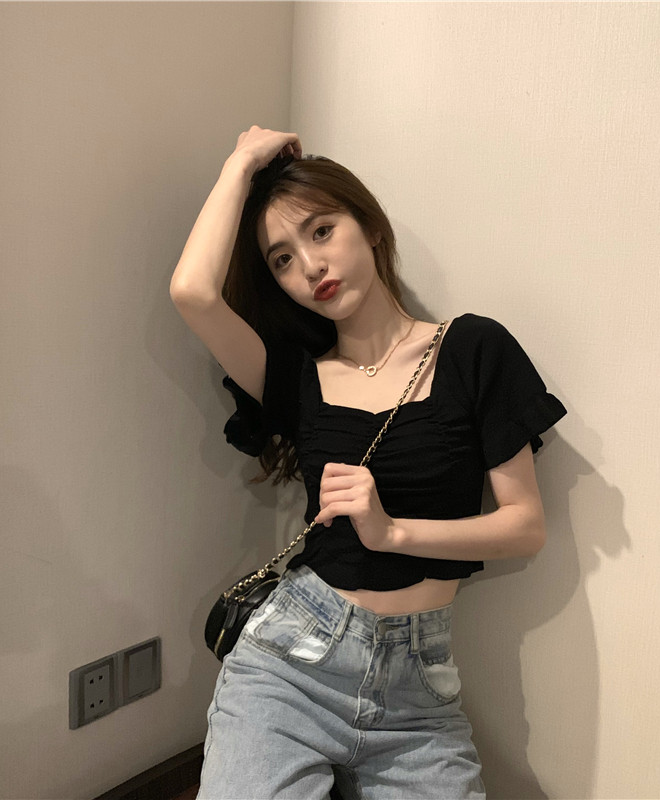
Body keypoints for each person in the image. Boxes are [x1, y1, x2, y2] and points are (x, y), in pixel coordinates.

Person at [170, 126, 567, 800]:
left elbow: (524, 526)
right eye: (283, 259)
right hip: (290, 669)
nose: (310, 267)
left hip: (418, 697)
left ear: (371, 227)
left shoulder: (472, 349)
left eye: (322, 231)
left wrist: (393, 532)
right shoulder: (295, 377)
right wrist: (243, 160)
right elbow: (193, 292)